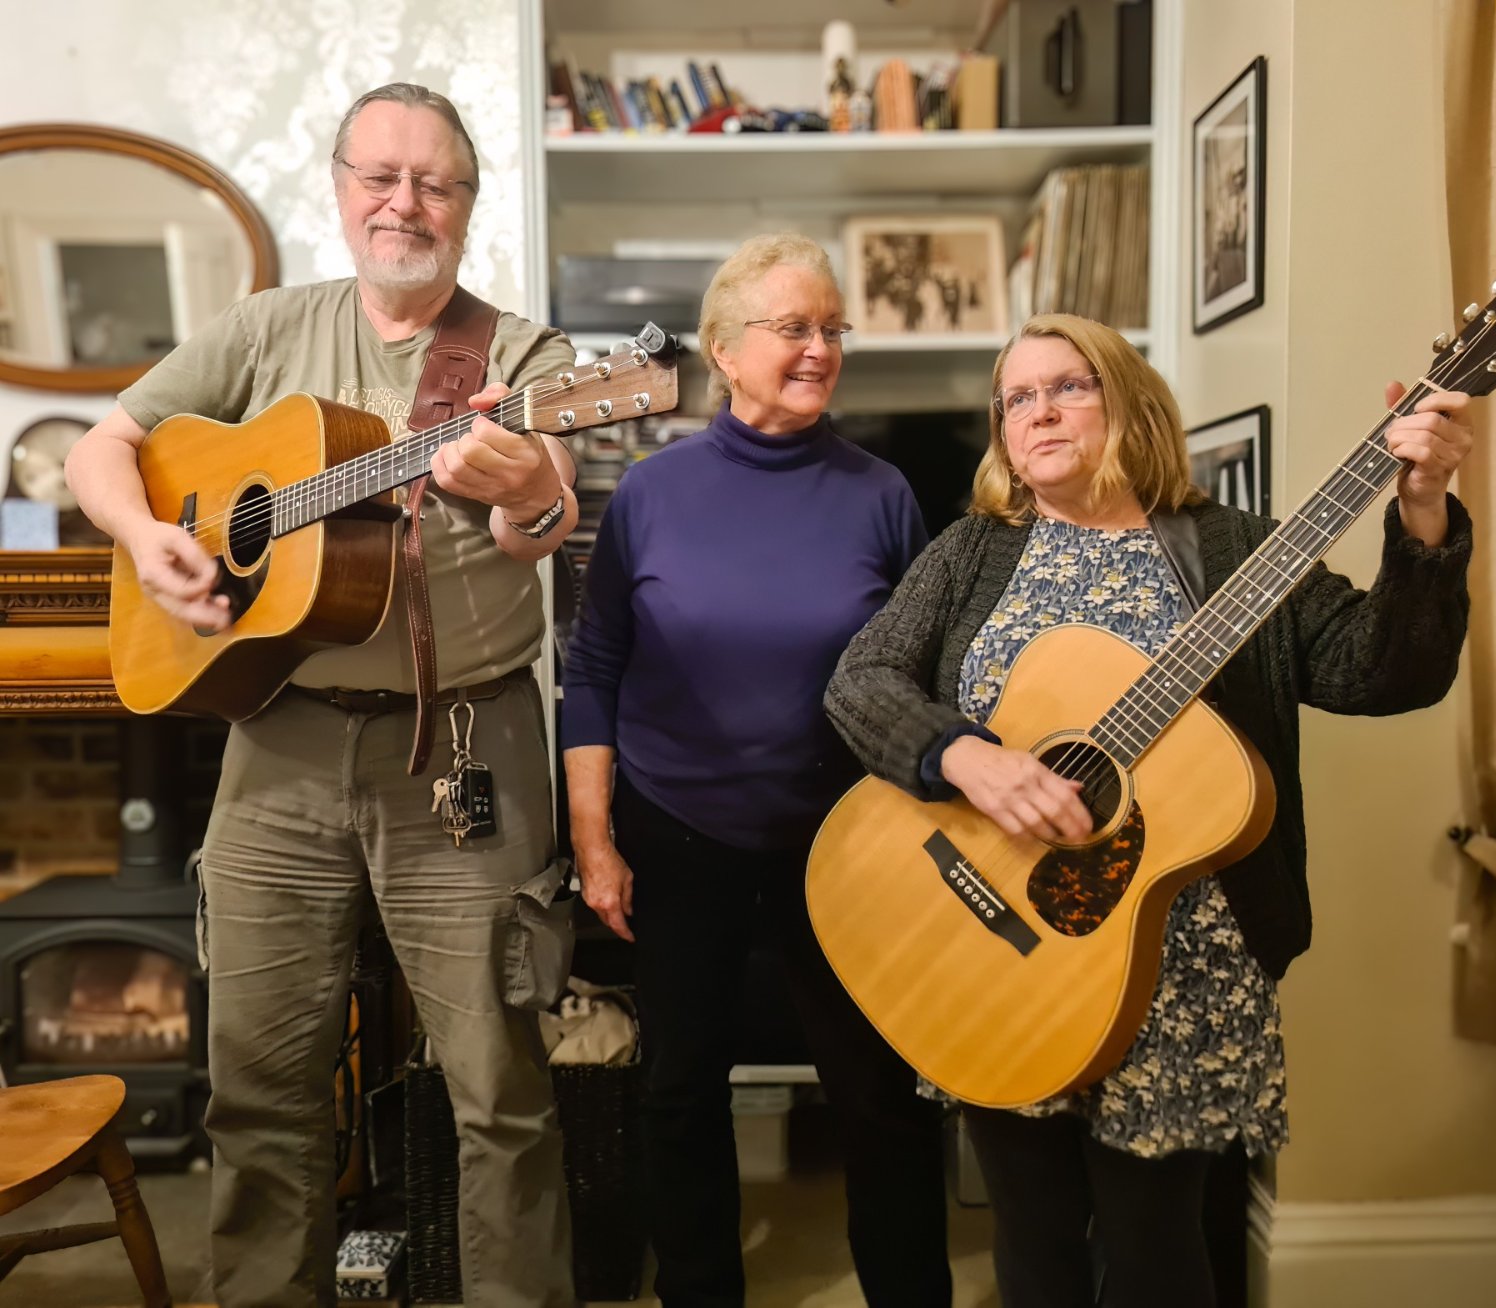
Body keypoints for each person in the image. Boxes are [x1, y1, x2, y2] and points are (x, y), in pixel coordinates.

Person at [824, 313, 1474, 1308]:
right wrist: (962, 756)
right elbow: (860, 679)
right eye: (1015, 398)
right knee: (1032, 1243)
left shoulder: (1230, 552)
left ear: (1130, 401)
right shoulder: (971, 553)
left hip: (1185, 966)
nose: (1037, 411)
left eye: (1068, 386)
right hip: (998, 947)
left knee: (1156, 1256)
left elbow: (1380, 674)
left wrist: (1422, 507)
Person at [65, 84, 580, 1308]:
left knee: (499, 1091)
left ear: (466, 202)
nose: (405, 203)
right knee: (260, 1086)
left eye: (435, 183)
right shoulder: (264, 328)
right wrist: (147, 539)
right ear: (342, 187)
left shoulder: (523, 360)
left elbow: (543, 520)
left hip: (460, 750)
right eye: (380, 177)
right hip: (278, 743)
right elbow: (104, 448)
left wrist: (515, 484)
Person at [561, 233, 951, 1308]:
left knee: (877, 1096)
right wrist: (595, 841)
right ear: (725, 352)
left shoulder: (882, 494)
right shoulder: (650, 494)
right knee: (680, 1093)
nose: (820, 348)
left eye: (833, 328)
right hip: (677, 833)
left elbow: (910, 677)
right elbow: (593, 672)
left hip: (845, 840)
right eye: (795, 328)